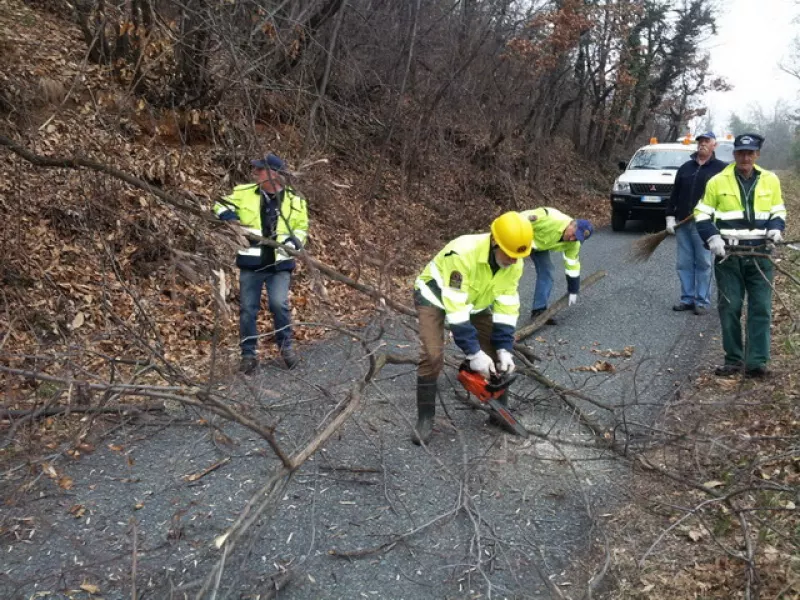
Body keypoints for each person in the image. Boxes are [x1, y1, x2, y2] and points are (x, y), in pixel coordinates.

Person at [411, 211, 533, 445]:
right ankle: (425, 419)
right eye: (509, 254)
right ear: (496, 241)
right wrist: (473, 354)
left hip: (474, 301)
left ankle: (499, 412)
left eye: (518, 257)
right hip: (434, 296)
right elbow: (456, 310)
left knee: (493, 346)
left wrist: (504, 348)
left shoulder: (514, 264)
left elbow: (507, 304)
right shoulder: (463, 253)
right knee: (432, 355)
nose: (514, 261)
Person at [694, 133, 786, 378]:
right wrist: (712, 237)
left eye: (750, 153)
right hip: (729, 257)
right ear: (734, 154)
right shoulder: (717, 181)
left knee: (761, 308)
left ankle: (756, 363)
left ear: (757, 155)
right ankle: (733, 360)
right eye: (741, 153)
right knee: (730, 307)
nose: (745, 157)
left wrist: (776, 228)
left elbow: (778, 209)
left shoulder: (770, 180)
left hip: (761, 255)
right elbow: (701, 214)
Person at [213, 153, 309, 375]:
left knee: (279, 304)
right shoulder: (243, 192)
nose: (255, 173)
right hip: (251, 262)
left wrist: (293, 241)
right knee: (248, 309)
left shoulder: (296, 200)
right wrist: (226, 213)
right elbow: (218, 204)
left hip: (280, 264)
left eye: (260, 170)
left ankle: (286, 349)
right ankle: (248, 355)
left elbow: (302, 228)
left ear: (274, 174)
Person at [664, 132, 727, 315]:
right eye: (700, 141)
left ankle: (702, 301)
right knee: (684, 263)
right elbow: (675, 194)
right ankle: (687, 299)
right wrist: (670, 216)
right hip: (683, 223)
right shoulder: (685, 168)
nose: (702, 144)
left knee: (703, 263)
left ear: (714, 145)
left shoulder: (721, 169)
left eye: (706, 141)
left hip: (704, 225)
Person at [519, 208, 593, 322]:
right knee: (507, 271)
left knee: (547, 271)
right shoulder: (549, 218)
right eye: (573, 234)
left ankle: (539, 311)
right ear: (571, 224)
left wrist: (573, 289)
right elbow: (518, 220)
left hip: (539, 246)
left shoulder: (573, 244)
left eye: (576, 239)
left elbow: (572, 265)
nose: (571, 239)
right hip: (518, 238)